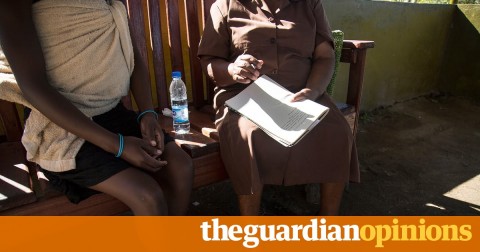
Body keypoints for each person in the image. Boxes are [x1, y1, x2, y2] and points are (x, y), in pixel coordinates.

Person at [0, 0, 193, 215]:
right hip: (60, 127)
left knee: (180, 167)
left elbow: (132, 53)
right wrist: (118, 145)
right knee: (146, 195)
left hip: (112, 114)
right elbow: (33, 85)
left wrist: (147, 113)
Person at [198, 0, 360, 215]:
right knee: (248, 134)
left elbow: (325, 55)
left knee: (337, 129)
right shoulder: (226, 6)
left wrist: (313, 91)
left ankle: (328, 220)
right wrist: (231, 69)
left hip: (302, 93)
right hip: (245, 95)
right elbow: (209, 60)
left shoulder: (310, 5)